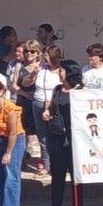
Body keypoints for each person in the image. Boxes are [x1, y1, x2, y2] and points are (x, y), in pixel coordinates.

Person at [45, 64, 83, 206]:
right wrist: (47, 112)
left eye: (61, 70)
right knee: (58, 172)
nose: (59, 73)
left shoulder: (81, 91)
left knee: (76, 173)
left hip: (75, 137)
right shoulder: (57, 89)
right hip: (57, 135)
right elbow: (52, 107)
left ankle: (77, 205)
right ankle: (56, 205)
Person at [33, 46, 65, 175]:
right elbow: (26, 83)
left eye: (46, 55)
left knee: (57, 135)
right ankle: (47, 164)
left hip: (55, 105)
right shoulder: (41, 69)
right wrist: (33, 73)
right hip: (38, 103)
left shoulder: (62, 71)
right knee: (43, 136)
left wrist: (51, 105)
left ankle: (60, 163)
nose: (44, 58)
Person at [11, 41, 43, 169]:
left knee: (41, 131)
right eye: (26, 51)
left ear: (37, 53)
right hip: (23, 100)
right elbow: (13, 85)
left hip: (38, 100)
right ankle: (22, 157)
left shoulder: (42, 66)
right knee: (22, 131)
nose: (29, 54)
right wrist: (24, 93)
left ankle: (43, 159)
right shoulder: (20, 66)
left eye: (32, 51)